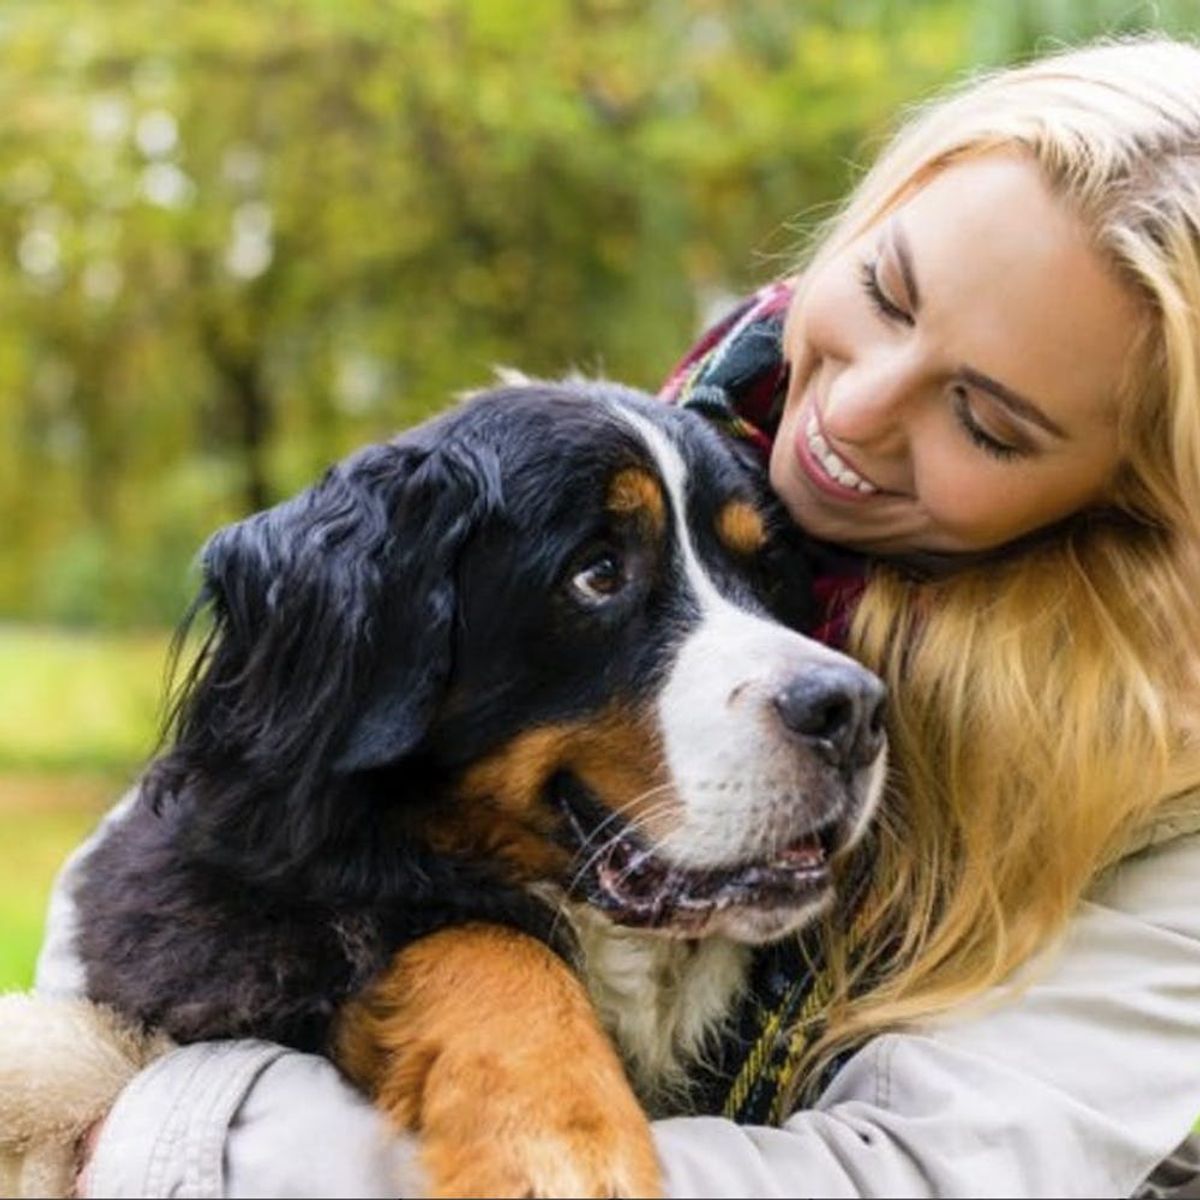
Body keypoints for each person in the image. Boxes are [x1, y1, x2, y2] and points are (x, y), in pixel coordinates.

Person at [27, 32, 1200, 1198]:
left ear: (1135, 505)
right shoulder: (661, 449)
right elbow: (180, 866)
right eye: (888, 294)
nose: (853, 408)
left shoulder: (1168, 806)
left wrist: (158, 1137)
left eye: (987, 422)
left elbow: (914, 1180)